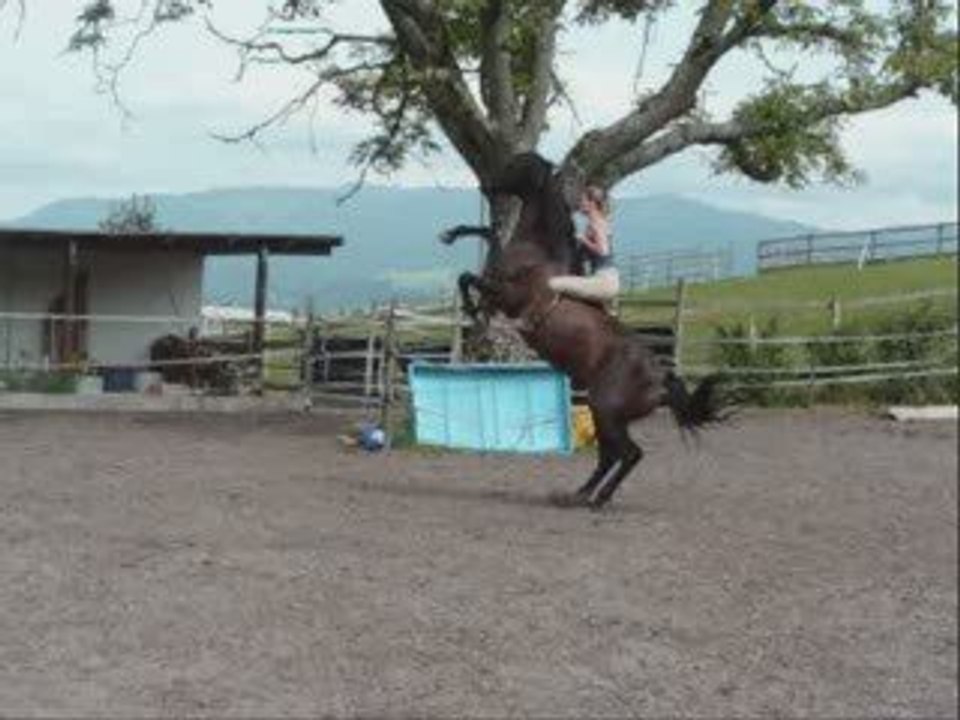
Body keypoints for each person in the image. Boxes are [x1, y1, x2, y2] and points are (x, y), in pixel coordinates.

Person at [548, 184, 620, 304]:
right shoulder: (598, 222)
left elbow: (603, 251)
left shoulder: (596, 224)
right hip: (608, 279)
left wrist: (583, 239)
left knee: (552, 284)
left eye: (583, 200)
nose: (580, 204)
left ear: (591, 203)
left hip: (603, 281)